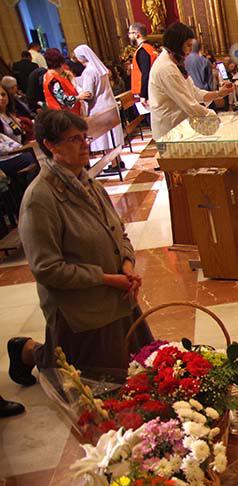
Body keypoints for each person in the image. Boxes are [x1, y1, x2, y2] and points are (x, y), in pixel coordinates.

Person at [9, 110, 153, 387]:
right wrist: (107, 278)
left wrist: (127, 265)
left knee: (133, 369)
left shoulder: (89, 183)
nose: (85, 144)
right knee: (89, 378)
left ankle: (27, 350)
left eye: (84, 137)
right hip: (80, 308)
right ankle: (27, 351)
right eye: (75, 139)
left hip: (118, 295)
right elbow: (47, 268)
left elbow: (118, 232)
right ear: (51, 145)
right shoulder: (39, 199)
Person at [148, 22, 234, 140]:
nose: (190, 50)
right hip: (169, 131)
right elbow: (189, 104)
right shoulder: (166, 68)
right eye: (188, 45)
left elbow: (194, 92)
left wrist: (219, 94)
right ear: (177, 44)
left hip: (179, 129)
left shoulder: (174, 62)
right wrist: (215, 117)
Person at [72, 45, 125, 155]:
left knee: (106, 138)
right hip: (109, 104)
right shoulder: (99, 68)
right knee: (111, 136)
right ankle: (117, 160)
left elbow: (88, 94)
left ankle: (114, 162)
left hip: (99, 106)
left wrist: (77, 89)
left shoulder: (89, 71)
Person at [0, 86, 39, 193]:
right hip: (5, 158)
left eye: (3, 95)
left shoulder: (9, 115)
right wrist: (21, 148)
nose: (1, 98)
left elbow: (21, 136)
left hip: (20, 152)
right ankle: (32, 193)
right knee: (37, 160)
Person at [42, 48, 91, 115]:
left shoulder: (48, 75)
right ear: (61, 63)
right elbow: (64, 100)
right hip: (62, 115)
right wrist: (79, 97)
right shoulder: (53, 79)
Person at [128, 23, 157, 103]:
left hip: (148, 94)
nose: (129, 36)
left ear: (137, 34)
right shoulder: (150, 48)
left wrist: (144, 95)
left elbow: (146, 73)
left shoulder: (143, 51)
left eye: (130, 33)